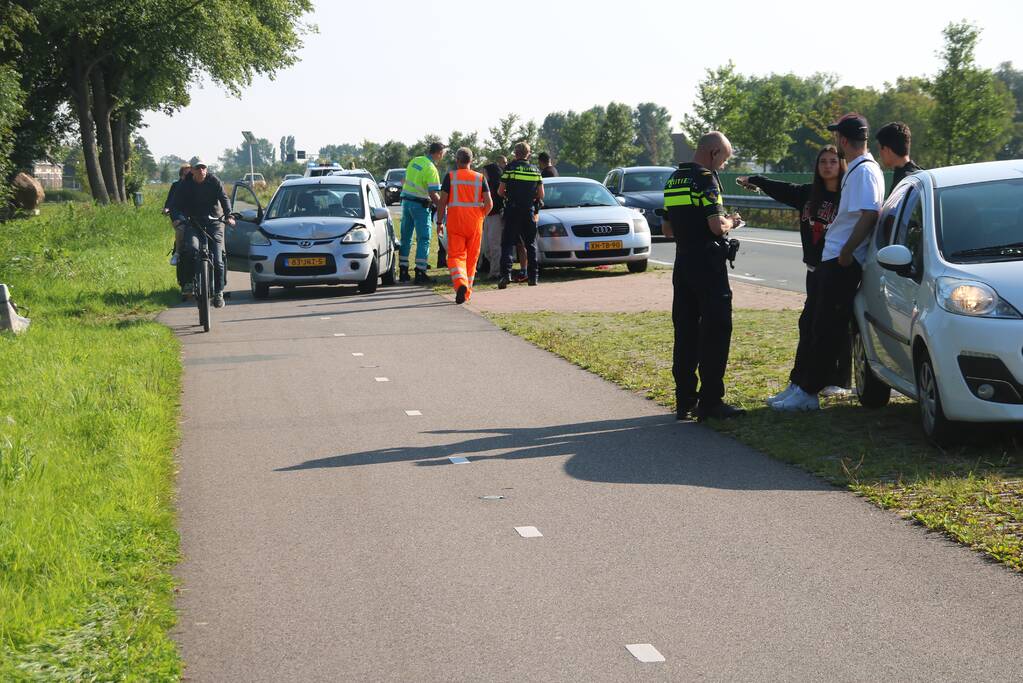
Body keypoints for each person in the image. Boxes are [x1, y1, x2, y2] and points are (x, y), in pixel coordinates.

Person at [773, 113, 883, 412]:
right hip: (831, 258)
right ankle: (801, 385)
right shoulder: (858, 169)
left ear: (843, 140)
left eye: (838, 137)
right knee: (814, 323)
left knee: (827, 328)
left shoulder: (864, 172)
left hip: (840, 261)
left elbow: (870, 213)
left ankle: (809, 392)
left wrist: (847, 251)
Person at [737, 145, 851, 404]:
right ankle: (803, 381)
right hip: (814, 271)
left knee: (832, 326)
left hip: (835, 270)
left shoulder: (848, 197)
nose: (828, 166)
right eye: (823, 161)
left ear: (841, 165)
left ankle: (834, 381)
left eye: (833, 161)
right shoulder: (808, 194)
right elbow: (782, 188)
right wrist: (756, 180)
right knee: (809, 325)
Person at [664, 131, 745, 421]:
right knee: (716, 330)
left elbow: (668, 230)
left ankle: (684, 399)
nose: (723, 165)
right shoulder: (706, 179)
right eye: (724, 158)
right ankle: (711, 401)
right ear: (713, 153)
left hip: (682, 263)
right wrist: (732, 222)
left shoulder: (674, 179)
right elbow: (715, 225)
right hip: (708, 266)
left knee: (685, 331)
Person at [171, 159, 235, 308]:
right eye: (198, 168)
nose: (201, 171)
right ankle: (188, 283)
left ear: (206, 169)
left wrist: (229, 216)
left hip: (214, 222)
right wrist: (177, 218)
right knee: (190, 249)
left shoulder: (214, 181)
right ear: (192, 170)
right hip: (193, 222)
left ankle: (219, 292)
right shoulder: (185, 184)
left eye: (203, 167)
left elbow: (224, 199)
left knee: (218, 259)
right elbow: (175, 205)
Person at [436, 147, 493, 304]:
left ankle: (461, 283)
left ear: (457, 160)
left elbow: (442, 202)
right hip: (474, 224)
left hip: (455, 223)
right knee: (472, 259)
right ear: (471, 161)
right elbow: (489, 203)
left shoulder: (450, 177)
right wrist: (480, 216)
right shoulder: (480, 178)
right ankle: (466, 292)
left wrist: (439, 222)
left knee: (455, 256)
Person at [497, 142, 544, 289]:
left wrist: (508, 196)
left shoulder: (510, 168)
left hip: (512, 209)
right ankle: (533, 277)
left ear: (515, 153)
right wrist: (530, 198)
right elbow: (541, 194)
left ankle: (506, 275)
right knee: (530, 244)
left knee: (508, 243)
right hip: (529, 210)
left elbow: (500, 191)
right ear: (528, 154)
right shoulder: (536, 170)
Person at [399, 142, 445, 284]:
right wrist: (442, 207)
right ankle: (420, 271)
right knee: (424, 238)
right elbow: (433, 193)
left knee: (406, 237)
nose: (443, 156)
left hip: (406, 203)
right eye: (443, 153)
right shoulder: (431, 168)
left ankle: (403, 270)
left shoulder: (415, 160)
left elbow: (404, 180)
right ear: (438, 153)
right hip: (420, 206)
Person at [163, 164, 191, 296]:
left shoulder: (194, 185)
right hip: (180, 215)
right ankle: (178, 253)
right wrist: (167, 209)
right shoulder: (176, 185)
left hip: (193, 215)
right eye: (185, 174)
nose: (188, 176)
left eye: (190, 173)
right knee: (181, 230)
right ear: (181, 175)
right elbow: (170, 201)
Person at [875, 121, 921, 196]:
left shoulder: (903, 183)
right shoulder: (921, 175)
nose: (879, 154)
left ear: (887, 150)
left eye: (880, 149)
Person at [480, 155, 507, 278]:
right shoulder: (486, 186)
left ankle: (496, 272)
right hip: (487, 217)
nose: (482, 174)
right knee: (486, 248)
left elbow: (497, 203)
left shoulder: (497, 186)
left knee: (494, 246)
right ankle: (495, 269)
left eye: (484, 172)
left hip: (496, 217)